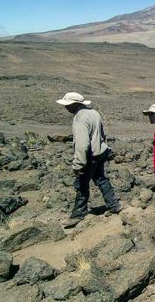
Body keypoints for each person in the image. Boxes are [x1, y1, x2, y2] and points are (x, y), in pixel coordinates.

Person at [56, 92, 121, 228]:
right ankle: (114, 205)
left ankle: (78, 215)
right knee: (101, 179)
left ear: (75, 104)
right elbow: (100, 134)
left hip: (90, 155)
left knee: (81, 183)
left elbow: (82, 144)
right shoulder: (93, 113)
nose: (66, 108)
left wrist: (78, 164)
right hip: (100, 151)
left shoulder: (80, 118)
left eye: (68, 105)